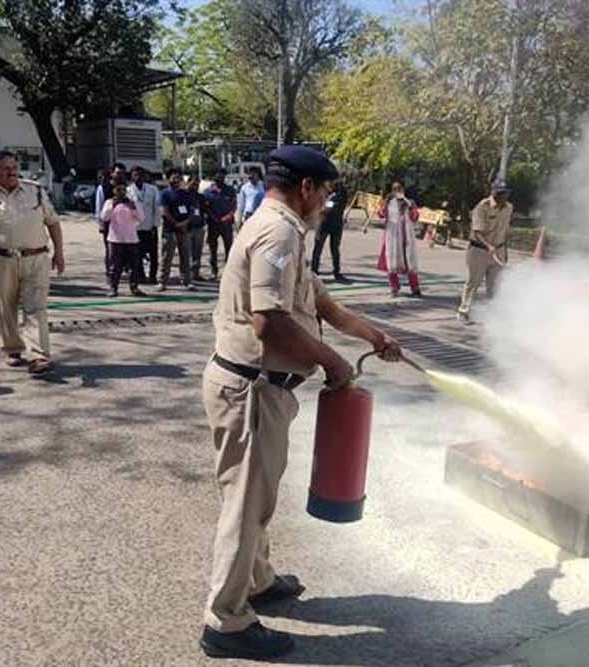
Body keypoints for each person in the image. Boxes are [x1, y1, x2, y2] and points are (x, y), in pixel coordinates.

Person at [199, 145, 403, 660]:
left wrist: (373, 336)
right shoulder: (279, 232)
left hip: (259, 388)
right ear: (306, 187)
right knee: (246, 505)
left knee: (255, 497)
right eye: (327, 191)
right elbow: (270, 322)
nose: (329, 202)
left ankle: (258, 580)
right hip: (252, 389)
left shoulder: (281, 226)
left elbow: (321, 304)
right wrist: (335, 363)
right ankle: (226, 622)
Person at [0, 150, 65, 376]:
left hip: (35, 258)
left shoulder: (35, 191)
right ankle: (13, 348)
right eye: (6, 168)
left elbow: (53, 222)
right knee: (5, 308)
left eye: (14, 167)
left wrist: (59, 253)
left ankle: (38, 355)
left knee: (36, 307)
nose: (12, 172)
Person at [457, 180, 513, 323]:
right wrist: (488, 246)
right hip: (479, 251)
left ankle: (492, 315)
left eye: (505, 193)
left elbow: (505, 231)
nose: (503, 196)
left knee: (495, 285)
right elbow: (477, 232)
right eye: (500, 193)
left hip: (498, 250)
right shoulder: (482, 207)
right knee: (473, 282)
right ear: (493, 192)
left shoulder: (509, 208)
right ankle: (463, 312)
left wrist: (504, 251)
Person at [100, 179, 147, 298]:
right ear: (114, 191)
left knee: (133, 266)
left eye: (123, 190)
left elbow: (141, 218)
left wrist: (134, 208)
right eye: (118, 190)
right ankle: (113, 288)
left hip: (131, 239)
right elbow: (104, 217)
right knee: (115, 266)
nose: (121, 192)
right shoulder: (109, 202)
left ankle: (134, 287)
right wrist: (113, 205)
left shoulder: (132, 203)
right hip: (115, 239)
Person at [376, 181, 423, 297]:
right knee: (392, 261)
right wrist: (384, 205)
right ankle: (394, 287)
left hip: (407, 237)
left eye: (400, 189)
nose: (398, 191)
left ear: (403, 190)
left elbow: (415, 217)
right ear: (392, 191)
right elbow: (381, 215)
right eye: (395, 189)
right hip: (392, 237)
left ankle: (415, 287)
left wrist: (410, 207)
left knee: (410, 262)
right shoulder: (389, 202)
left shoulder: (409, 202)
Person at [158, 168, 195, 292]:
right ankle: (162, 281)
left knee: (185, 256)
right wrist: (176, 223)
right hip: (169, 230)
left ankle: (187, 281)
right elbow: (164, 211)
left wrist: (185, 222)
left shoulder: (185, 194)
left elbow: (191, 210)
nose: (176, 180)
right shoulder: (164, 194)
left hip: (185, 230)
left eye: (178, 177)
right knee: (166, 257)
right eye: (174, 177)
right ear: (168, 179)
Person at [310, 175, 350, 282]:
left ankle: (318, 270)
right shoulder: (337, 193)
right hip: (332, 224)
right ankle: (328, 271)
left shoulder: (336, 195)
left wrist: (321, 209)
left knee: (323, 248)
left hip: (328, 223)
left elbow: (327, 209)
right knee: (329, 248)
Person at [95, 162, 127, 279]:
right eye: (118, 173)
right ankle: (110, 272)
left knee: (124, 249)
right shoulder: (103, 188)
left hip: (124, 224)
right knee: (110, 250)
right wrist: (101, 224)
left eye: (122, 173)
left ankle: (122, 270)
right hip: (109, 223)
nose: (120, 175)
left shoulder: (127, 188)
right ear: (112, 173)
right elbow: (99, 207)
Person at [131, 165, 162, 285]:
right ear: (132, 177)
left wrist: (155, 225)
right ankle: (141, 276)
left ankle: (153, 276)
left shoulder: (152, 189)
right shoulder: (129, 191)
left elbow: (157, 208)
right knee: (137, 254)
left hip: (150, 227)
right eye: (135, 175)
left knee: (153, 253)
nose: (138, 177)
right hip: (135, 228)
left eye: (140, 175)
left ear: (144, 176)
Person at [204, 169, 236, 281]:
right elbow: (206, 208)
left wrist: (228, 217)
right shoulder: (207, 191)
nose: (220, 178)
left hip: (227, 224)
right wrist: (213, 217)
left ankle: (228, 272)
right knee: (212, 249)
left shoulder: (230, 190)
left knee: (229, 248)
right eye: (218, 176)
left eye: (222, 176)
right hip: (213, 224)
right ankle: (214, 271)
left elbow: (234, 206)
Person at [185, 174, 207, 283]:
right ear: (188, 182)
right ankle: (186, 275)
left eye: (197, 184)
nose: (195, 186)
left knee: (197, 253)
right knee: (186, 252)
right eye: (193, 183)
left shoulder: (200, 197)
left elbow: (205, 210)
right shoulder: (183, 195)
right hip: (187, 228)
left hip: (199, 227)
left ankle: (196, 274)